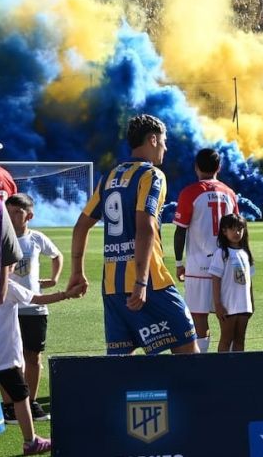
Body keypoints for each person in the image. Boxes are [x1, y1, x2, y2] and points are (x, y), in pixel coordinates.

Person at [69, 114, 198, 355]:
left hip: (112, 287)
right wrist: (141, 281)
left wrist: (77, 271)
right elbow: (146, 227)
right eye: (163, 141)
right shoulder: (152, 175)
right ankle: (184, 395)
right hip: (151, 283)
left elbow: (81, 226)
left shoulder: (109, 177)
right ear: (152, 139)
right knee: (188, 349)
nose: (165, 147)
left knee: (120, 367)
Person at [0, 279, 83, 455]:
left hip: (6, 358)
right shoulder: (8, 285)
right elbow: (37, 299)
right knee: (21, 397)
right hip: (6, 359)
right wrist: (65, 295)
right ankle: (31, 442)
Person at [1, 194, 62, 423]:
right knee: (8, 360)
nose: (12, 216)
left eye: (17, 212)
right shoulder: (2, 238)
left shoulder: (36, 238)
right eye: (9, 211)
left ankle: (32, 401)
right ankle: (9, 405)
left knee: (33, 356)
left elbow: (57, 256)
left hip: (34, 307)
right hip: (9, 307)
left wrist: (54, 279)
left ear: (29, 215)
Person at [173, 148, 239, 353]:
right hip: (226, 263)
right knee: (226, 315)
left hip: (198, 265)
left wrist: (178, 263)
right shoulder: (229, 193)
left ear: (196, 167)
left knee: (198, 316)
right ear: (219, 167)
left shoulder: (190, 192)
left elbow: (180, 231)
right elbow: (239, 228)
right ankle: (227, 366)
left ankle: (203, 365)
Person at [209, 214, 254, 352]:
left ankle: (237, 369)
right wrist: (217, 304)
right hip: (228, 305)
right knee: (226, 338)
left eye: (240, 229)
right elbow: (216, 279)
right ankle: (222, 370)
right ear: (224, 231)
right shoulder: (222, 253)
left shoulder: (245, 253)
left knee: (240, 339)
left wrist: (251, 302)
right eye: (233, 229)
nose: (237, 232)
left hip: (244, 305)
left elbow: (249, 281)